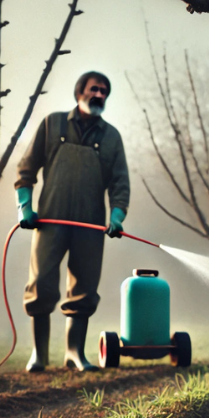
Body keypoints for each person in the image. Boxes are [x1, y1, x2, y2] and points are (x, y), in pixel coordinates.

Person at [14, 71, 129, 372]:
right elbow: (26, 169)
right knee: (40, 285)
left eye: (105, 91)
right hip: (49, 222)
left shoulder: (111, 137)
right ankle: (39, 355)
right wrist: (24, 207)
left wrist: (117, 216)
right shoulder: (52, 124)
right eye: (94, 89)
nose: (99, 95)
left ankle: (74, 353)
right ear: (79, 92)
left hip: (90, 227)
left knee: (84, 288)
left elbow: (120, 184)